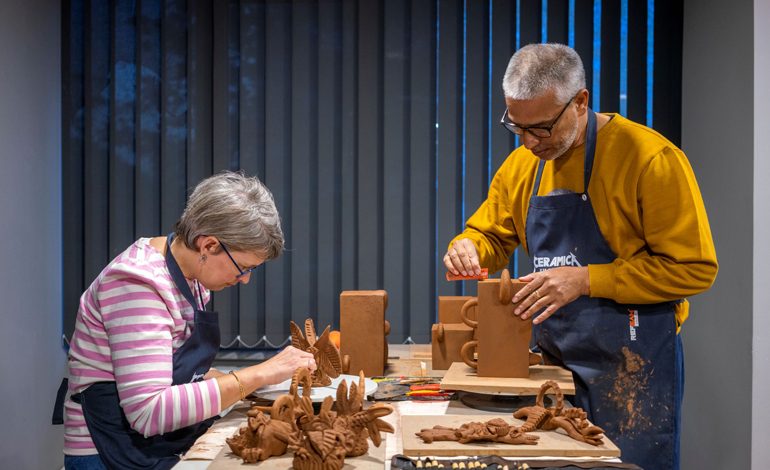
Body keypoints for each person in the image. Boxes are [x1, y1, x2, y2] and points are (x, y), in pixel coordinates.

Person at [443, 43, 717, 470]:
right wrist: (467, 247)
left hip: (633, 367)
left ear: (581, 101)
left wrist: (587, 279)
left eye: (543, 128)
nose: (531, 142)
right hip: (554, 364)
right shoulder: (521, 167)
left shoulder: (650, 159)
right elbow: (491, 237)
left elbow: (693, 269)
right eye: (518, 128)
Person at [55, 171, 317, 470]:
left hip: (155, 445)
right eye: (243, 267)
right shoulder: (138, 284)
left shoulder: (191, 277)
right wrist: (259, 374)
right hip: (109, 453)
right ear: (208, 245)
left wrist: (248, 384)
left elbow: (175, 372)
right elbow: (149, 412)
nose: (245, 280)